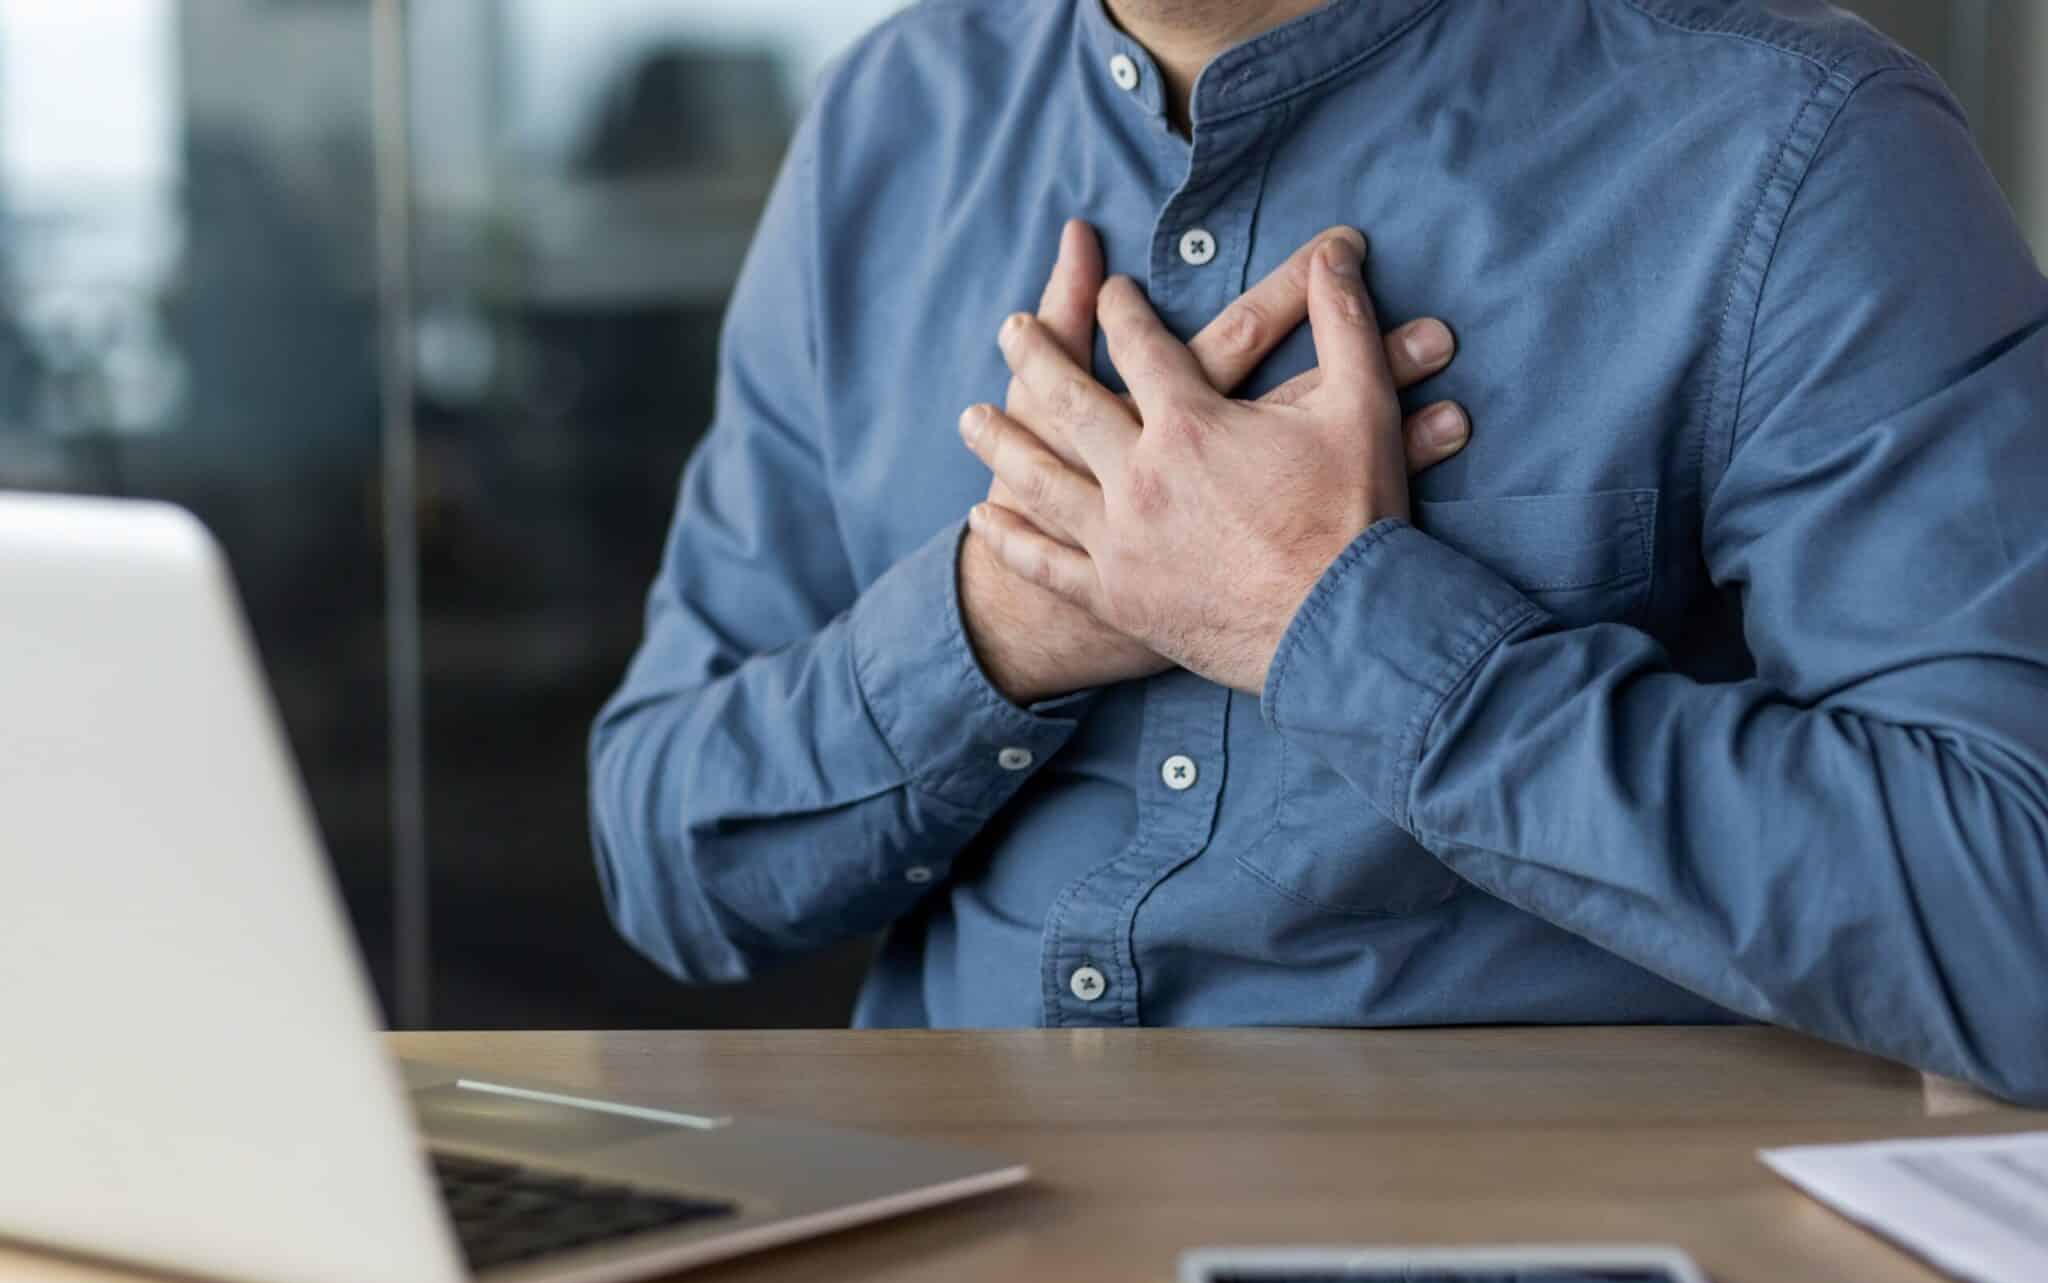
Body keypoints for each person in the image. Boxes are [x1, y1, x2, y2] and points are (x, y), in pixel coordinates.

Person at [590, 0, 2048, 1102]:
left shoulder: (1796, 147)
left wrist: (1325, 619)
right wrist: (993, 629)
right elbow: (667, 856)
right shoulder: (883, 125)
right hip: (941, 1264)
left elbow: (2018, 919)